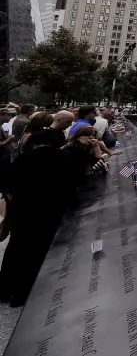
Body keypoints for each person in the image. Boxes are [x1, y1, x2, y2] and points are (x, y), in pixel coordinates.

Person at [0, 124, 83, 306]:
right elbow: (74, 185)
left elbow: (7, 183)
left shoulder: (25, 158)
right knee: (37, 253)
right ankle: (23, 295)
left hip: (23, 210)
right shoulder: (65, 158)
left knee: (16, 248)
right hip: (51, 212)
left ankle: (5, 290)